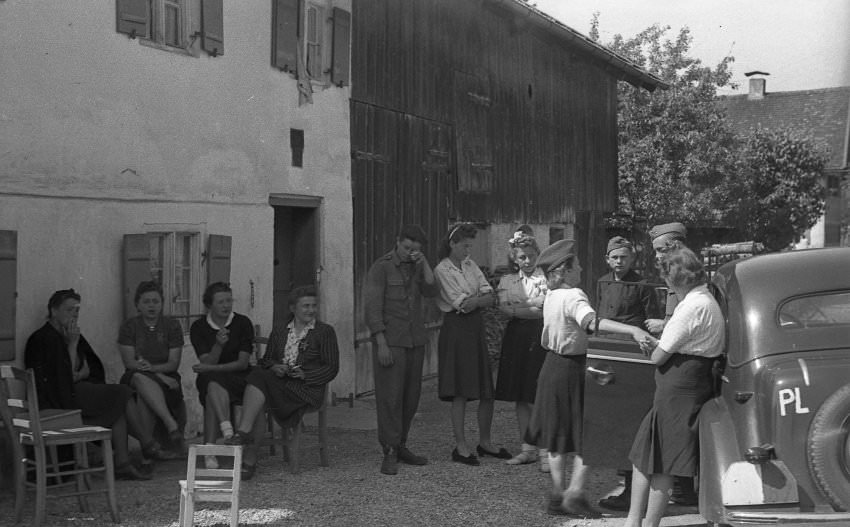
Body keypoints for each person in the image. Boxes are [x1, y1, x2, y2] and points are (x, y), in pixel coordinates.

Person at [524, 240, 650, 517]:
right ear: (565, 270)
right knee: (590, 432)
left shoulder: (552, 296)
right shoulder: (573, 295)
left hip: (551, 366)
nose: (581, 268)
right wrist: (633, 332)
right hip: (572, 367)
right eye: (576, 264)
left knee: (556, 432)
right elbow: (592, 323)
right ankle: (576, 493)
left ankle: (558, 493)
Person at [624, 245, 725, 527]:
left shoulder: (692, 307)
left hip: (680, 389)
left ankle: (649, 523)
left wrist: (645, 342)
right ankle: (633, 521)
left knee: (663, 463)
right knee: (644, 454)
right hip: (680, 386)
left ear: (674, 279)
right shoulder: (702, 300)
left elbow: (659, 356)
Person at [25, 289, 152, 480]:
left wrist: (78, 370)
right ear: (53, 310)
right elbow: (64, 377)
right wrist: (73, 346)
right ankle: (146, 444)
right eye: (69, 310)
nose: (74, 315)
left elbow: (88, 369)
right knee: (122, 393)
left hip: (76, 392)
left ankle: (123, 463)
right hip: (57, 402)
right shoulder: (44, 338)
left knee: (117, 406)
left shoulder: (69, 333)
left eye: (76, 311)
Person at [226, 285, 340, 480]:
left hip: (305, 389)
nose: (310, 310)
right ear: (293, 308)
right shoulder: (280, 331)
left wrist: (306, 375)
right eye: (305, 306)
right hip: (280, 385)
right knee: (260, 387)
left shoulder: (324, 332)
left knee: (258, 379)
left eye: (313, 306)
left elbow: (331, 367)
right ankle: (249, 457)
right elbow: (267, 360)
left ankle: (244, 437)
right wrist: (275, 367)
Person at [364, 224, 439, 475]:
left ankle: (402, 445)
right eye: (406, 247)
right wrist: (381, 343)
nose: (409, 252)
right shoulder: (381, 267)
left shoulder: (418, 267)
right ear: (397, 242)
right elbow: (372, 309)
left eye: (415, 249)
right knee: (390, 397)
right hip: (392, 342)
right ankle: (389, 451)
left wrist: (424, 262)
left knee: (410, 397)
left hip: (415, 340)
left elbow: (431, 289)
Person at [434, 222, 509, 465]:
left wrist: (477, 300)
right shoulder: (442, 270)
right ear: (452, 244)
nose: (468, 250)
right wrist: (478, 300)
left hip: (475, 328)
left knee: (486, 388)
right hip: (456, 329)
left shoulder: (470, 265)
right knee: (460, 389)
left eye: (470, 246)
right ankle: (461, 446)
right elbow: (461, 304)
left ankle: (485, 441)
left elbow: (490, 296)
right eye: (464, 245)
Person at [595, 236, 661, 511]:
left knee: (634, 423)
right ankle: (625, 485)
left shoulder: (642, 285)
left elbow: (652, 323)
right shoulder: (602, 283)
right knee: (614, 422)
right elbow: (598, 319)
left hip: (634, 358)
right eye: (614, 257)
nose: (619, 262)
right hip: (608, 355)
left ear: (632, 259)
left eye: (624, 257)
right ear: (607, 259)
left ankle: (635, 489)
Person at [641, 222, 699, 507]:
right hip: (675, 352)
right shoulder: (676, 273)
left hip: (682, 361)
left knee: (677, 429)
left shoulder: (685, 275)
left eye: (661, 250)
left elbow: (687, 319)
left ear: (675, 247)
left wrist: (663, 325)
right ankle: (682, 486)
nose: (657, 257)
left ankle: (685, 489)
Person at [494, 227, 550, 471]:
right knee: (520, 394)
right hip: (516, 336)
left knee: (538, 394)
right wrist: (529, 306)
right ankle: (527, 448)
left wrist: (519, 307)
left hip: (540, 335)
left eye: (530, 256)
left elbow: (544, 309)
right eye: (522, 257)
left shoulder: (545, 279)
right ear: (514, 259)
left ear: (537, 254)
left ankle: (546, 451)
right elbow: (504, 308)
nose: (527, 261)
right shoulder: (507, 280)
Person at [190, 282, 254, 468]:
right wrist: (218, 345)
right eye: (221, 302)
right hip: (213, 379)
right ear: (209, 305)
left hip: (239, 377)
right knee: (212, 383)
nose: (226, 305)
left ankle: (210, 448)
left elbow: (242, 363)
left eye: (229, 300)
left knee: (212, 384)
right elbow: (207, 361)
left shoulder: (242, 323)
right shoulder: (199, 327)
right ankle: (227, 431)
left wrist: (211, 369)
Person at [117, 281, 185, 459]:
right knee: (139, 379)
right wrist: (158, 375)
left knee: (145, 397)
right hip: (136, 376)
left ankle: (148, 449)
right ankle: (171, 424)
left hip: (167, 378)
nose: (151, 306)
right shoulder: (129, 327)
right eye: (146, 301)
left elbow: (173, 363)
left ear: (162, 303)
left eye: (155, 301)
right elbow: (130, 362)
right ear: (138, 304)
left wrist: (155, 370)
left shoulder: (172, 326)